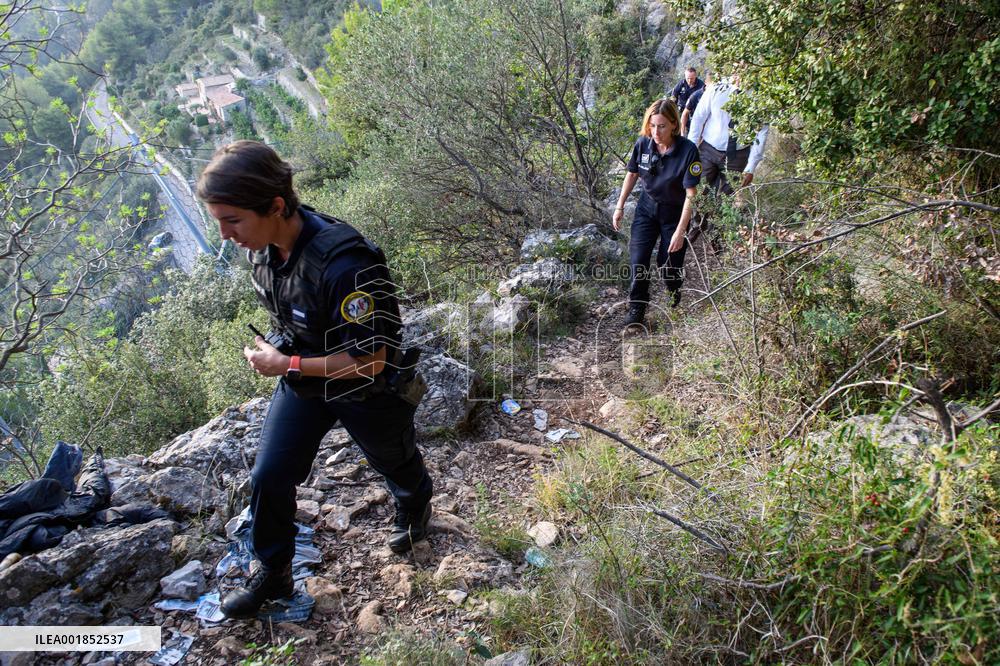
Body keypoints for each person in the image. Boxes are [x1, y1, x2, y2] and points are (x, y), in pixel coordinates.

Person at [196, 141, 434, 619]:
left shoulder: (348, 266)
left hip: (365, 387)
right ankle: (275, 571)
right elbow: (292, 312)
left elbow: (371, 360)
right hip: (305, 377)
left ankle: (414, 503)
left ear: (276, 206)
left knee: (391, 458)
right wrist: (281, 349)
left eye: (233, 220)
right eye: (218, 220)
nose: (224, 234)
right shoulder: (263, 251)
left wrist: (286, 366)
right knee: (270, 474)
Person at [612, 99, 701, 326]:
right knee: (639, 259)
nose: (656, 132)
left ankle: (673, 290)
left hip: (674, 212)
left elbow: (691, 194)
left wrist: (681, 231)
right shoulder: (644, 143)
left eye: (661, 126)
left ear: (673, 124)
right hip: (647, 208)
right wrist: (620, 206)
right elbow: (632, 174)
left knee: (668, 262)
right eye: (652, 126)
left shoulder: (688, 151)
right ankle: (637, 308)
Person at [687, 73, 768, 195]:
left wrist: (751, 167)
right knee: (699, 193)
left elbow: (762, 132)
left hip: (738, 155)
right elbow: (698, 118)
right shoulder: (717, 87)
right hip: (708, 150)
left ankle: (717, 214)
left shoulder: (759, 95)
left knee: (725, 199)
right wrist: (691, 150)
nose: (742, 70)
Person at [679, 72, 712, 137]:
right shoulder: (695, 96)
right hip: (694, 127)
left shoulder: (716, 96)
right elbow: (685, 114)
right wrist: (682, 132)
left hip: (709, 130)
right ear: (706, 82)